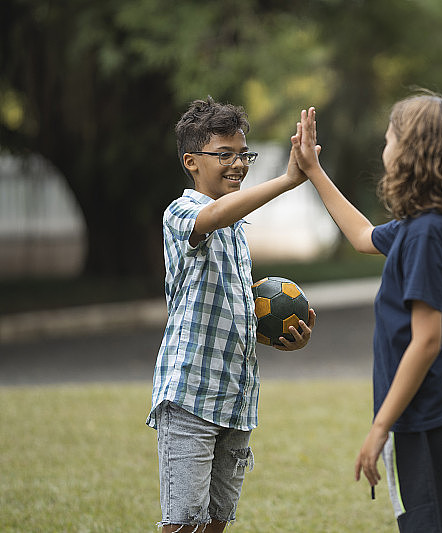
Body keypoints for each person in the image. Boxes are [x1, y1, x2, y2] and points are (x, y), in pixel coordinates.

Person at [291, 93, 442, 532]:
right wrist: (313, 171)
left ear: (414, 153)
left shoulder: (428, 233)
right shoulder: (423, 224)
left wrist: (379, 427)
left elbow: (426, 339)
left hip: (426, 406)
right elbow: (361, 235)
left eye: (390, 139)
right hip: (427, 403)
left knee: (429, 524)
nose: (384, 149)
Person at [147, 96, 316, 532]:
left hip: (237, 401)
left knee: (217, 523)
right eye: (225, 155)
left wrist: (277, 334)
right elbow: (214, 216)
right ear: (191, 162)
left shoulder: (237, 231)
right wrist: (286, 180)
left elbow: (230, 310)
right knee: (183, 523)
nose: (238, 164)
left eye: (244, 154)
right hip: (190, 398)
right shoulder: (182, 213)